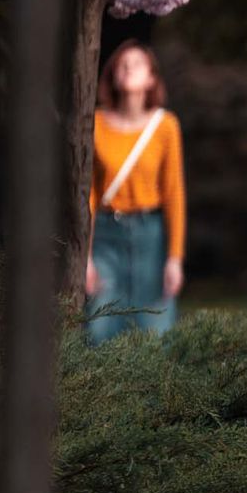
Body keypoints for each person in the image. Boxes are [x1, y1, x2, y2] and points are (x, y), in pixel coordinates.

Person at [87, 41, 186, 344]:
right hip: (105, 236)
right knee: (99, 329)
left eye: (137, 63)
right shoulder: (95, 124)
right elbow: (88, 196)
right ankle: (101, 393)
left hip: (151, 236)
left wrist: (175, 258)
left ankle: (154, 394)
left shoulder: (166, 126)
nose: (128, 68)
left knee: (154, 332)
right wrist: (85, 259)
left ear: (152, 78)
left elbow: (174, 194)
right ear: (113, 75)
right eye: (122, 63)